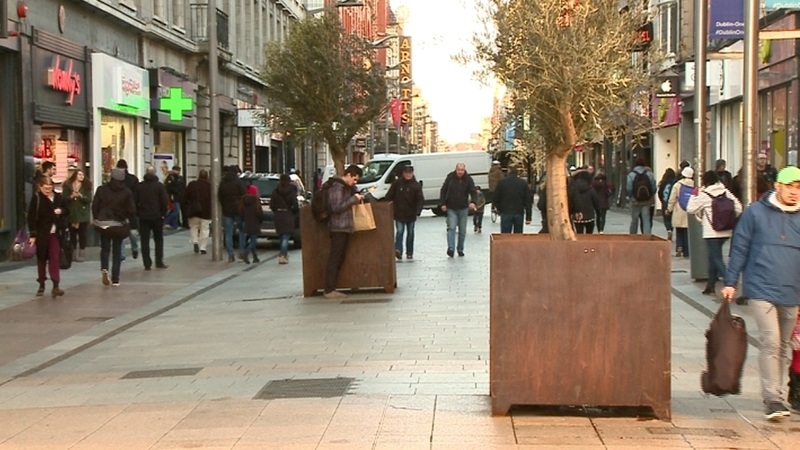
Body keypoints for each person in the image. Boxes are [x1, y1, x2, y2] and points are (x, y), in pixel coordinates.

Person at [722, 166, 800, 421]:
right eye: (790, 186)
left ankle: (776, 393)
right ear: (778, 186)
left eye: (798, 188)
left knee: (783, 345)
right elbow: (740, 247)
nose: (794, 192)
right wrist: (731, 281)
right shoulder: (755, 213)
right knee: (770, 340)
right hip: (761, 287)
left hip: (792, 291)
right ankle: (772, 398)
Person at [686, 170, 742, 296]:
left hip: (712, 232)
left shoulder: (705, 194)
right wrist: (728, 219)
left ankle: (730, 281)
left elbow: (690, 209)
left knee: (716, 258)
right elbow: (738, 208)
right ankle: (710, 286)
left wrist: (693, 195)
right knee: (713, 257)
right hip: (726, 230)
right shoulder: (726, 191)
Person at [324, 164, 364, 299]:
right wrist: (354, 199)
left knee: (339, 258)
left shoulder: (346, 188)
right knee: (335, 258)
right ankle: (329, 289)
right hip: (338, 227)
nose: (355, 182)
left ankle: (331, 287)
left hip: (344, 227)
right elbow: (336, 207)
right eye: (354, 179)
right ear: (348, 175)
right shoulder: (337, 187)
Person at [92, 168, 135, 287]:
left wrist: (97, 218)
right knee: (117, 251)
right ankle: (115, 278)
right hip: (118, 224)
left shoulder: (101, 190)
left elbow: (95, 205)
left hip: (104, 224)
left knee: (105, 248)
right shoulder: (126, 192)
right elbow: (131, 210)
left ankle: (104, 268)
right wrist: (125, 218)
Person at [28, 176, 69, 297]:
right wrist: (33, 235)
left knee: (54, 258)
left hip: (55, 233)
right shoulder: (37, 199)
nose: (47, 190)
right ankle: (41, 283)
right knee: (41, 259)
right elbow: (31, 217)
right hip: (41, 234)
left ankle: (56, 285)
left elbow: (67, 210)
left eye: (50, 188)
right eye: (45, 188)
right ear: (40, 187)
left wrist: (61, 211)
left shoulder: (58, 198)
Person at [384, 165, 424, 258]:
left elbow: (420, 199)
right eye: (406, 173)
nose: (408, 174)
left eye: (410, 173)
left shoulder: (416, 185)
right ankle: (398, 250)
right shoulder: (397, 183)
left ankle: (409, 252)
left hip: (411, 214)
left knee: (410, 234)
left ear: (412, 173)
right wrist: (386, 205)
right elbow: (390, 195)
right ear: (403, 173)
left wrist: (418, 210)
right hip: (399, 213)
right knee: (400, 232)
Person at [440, 163, 477, 257]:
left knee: (462, 230)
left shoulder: (468, 179)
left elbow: (473, 191)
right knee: (451, 228)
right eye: (459, 170)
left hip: (463, 208)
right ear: (455, 170)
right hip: (451, 207)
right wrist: (443, 203)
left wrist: (473, 202)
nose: (460, 172)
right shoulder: (450, 178)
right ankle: (451, 248)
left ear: (464, 170)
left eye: (462, 170)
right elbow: (443, 190)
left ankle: (460, 249)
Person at [137, 166, 170, 270]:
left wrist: (138, 213)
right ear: (155, 174)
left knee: (144, 240)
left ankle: (147, 263)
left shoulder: (140, 186)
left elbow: (134, 201)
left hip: (143, 217)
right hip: (157, 216)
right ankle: (159, 261)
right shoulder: (159, 186)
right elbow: (164, 201)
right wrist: (163, 213)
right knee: (158, 240)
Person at [62, 169, 92, 262]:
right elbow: (64, 199)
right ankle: (73, 254)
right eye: (79, 174)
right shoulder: (68, 185)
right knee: (72, 235)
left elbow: (89, 200)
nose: (81, 176)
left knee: (82, 235)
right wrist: (71, 197)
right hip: (72, 214)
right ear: (75, 175)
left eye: (82, 175)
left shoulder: (86, 186)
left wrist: (81, 196)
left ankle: (82, 254)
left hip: (82, 214)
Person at [218, 166, 246, 262]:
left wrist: (224, 206)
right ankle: (241, 251)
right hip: (238, 210)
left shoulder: (223, 182)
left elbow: (220, 196)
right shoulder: (238, 182)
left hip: (227, 211)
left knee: (228, 233)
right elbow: (244, 195)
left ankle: (230, 254)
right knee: (242, 230)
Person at [271, 174, 300, 264]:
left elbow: (272, 205)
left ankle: (284, 254)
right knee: (286, 236)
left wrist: (276, 210)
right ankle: (282, 255)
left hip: (279, 214)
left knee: (281, 236)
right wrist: (294, 212)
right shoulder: (292, 191)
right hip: (288, 213)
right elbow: (295, 204)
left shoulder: (276, 191)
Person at [494, 165, 532, 234]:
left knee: (505, 235)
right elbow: (528, 200)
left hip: (506, 212)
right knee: (517, 236)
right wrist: (528, 217)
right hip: (519, 212)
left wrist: (500, 209)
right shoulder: (522, 183)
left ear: (508, 172)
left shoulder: (502, 182)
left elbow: (496, 198)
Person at [666, 167, 694, 258]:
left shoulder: (678, 185)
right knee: (687, 231)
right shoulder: (695, 185)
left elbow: (672, 198)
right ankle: (687, 251)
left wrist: (669, 209)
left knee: (679, 230)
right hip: (690, 210)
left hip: (679, 209)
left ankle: (679, 247)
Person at [183, 170, 212, 255]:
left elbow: (185, 198)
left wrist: (186, 208)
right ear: (207, 177)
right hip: (206, 212)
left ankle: (195, 241)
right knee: (205, 229)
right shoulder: (209, 186)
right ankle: (203, 247)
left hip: (194, 211)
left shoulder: (192, 184)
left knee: (194, 227)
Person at [116, 160, 140, 261]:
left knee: (132, 233)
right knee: (121, 233)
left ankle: (134, 248)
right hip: (119, 211)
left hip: (131, 210)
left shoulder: (132, 179)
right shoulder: (115, 180)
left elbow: (138, 195)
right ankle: (122, 254)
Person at [626, 158, 656, 234]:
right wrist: (650, 196)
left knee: (634, 219)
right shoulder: (649, 174)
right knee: (646, 219)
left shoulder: (631, 175)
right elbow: (653, 187)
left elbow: (629, 188)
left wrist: (631, 197)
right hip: (646, 200)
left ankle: (633, 236)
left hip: (635, 201)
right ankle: (647, 236)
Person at [570, 169, 599, 234]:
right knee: (589, 234)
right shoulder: (591, 190)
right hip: (590, 215)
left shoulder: (573, 190)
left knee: (579, 234)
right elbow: (596, 202)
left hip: (577, 216)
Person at [240, 184, 263, 265]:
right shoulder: (256, 201)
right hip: (255, 223)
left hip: (247, 223)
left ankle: (255, 257)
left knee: (251, 239)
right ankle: (246, 253)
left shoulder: (244, 201)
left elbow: (241, 214)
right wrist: (260, 221)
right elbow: (260, 214)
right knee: (253, 241)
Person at [164, 165, 186, 230]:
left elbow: (183, 187)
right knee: (176, 210)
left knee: (176, 211)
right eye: (176, 170)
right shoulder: (171, 177)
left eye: (179, 170)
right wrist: (176, 192)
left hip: (180, 197)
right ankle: (166, 221)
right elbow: (169, 187)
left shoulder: (180, 178)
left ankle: (175, 225)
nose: (178, 172)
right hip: (174, 197)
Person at [657, 168, 677, 240]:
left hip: (665, 202)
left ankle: (669, 229)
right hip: (673, 202)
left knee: (666, 218)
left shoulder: (663, 182)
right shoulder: (675, 182)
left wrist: (662, 200)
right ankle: (672, 229)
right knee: (672, 217)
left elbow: (660, 192)